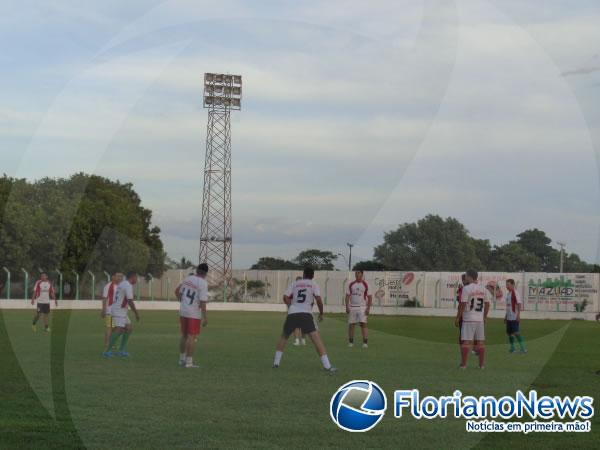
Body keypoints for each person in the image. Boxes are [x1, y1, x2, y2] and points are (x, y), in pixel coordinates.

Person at [272, 267, 336, 373]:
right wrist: (321, 313)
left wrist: (291, 305)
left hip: (292, 313)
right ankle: (327, 366)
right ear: (313, 276)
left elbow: (285, 297)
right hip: (306, 313)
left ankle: (276, 363)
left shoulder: (295, 283)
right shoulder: (313, 284)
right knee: (316, 339)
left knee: (284, 337)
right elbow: (319, 299)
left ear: (304, 274)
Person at [455, 269, 491, 369]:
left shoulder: (466, 289)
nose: (465, 277)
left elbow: (463, 304)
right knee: (480, 342)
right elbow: (488, 304)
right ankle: (482, 365)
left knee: (466, 342)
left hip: (468, 318)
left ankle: (463, 365)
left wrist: (458, 317)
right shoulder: (483, 289)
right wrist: (484, 317)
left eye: (466, 276)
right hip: (479, 319)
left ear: (470, 277)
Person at [176, 263, 209, 368]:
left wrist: (183, 302)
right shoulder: (203, 283)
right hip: (193, 313)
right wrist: (205, 317)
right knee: (192, 337)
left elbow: (179, 293)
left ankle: (181, 359)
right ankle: (189, 362)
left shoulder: (188, 278)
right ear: (205, 273)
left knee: (184, 335)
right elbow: (203, 302)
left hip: (183, 311)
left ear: (197, 270)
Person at [103, 272, 139, 358]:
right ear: (132, 277)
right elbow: (130, 301)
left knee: (129, 328)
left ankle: (121, 350)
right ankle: (107, 351)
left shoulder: (123, 283)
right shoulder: (127, 285)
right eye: (136, 278)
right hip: (118, 310)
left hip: (121, 310)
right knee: (118, 330)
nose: (137, 280)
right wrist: (136, 313)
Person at [345, 270, 372, 348]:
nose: (357, 274)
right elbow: (347, 296)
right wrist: (347, 306)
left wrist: (368, 308)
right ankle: (351, 342)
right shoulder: (351, 284)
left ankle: (365, 343)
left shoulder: (366, 284)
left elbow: (370, 297)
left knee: (363, 324)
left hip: (362, 307)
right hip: (352, 307)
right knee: (351, 324)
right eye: (356, 273)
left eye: (358, 273)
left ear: (362, 274)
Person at [505, 279, 527, 353]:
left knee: (516, 333)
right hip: (509, 317)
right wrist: (506, 316)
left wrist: (518, 315)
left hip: (514, 316)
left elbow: (519, 304)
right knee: (510, 333)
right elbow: (508, 306)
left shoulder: (515, 293)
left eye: (508, 285)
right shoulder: (508, 294)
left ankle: (523, 348)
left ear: (513, 284)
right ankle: (513, 348)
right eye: (506, 284)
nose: (506, 286)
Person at [101, 272, 121, 349]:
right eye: (117, 276)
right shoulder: (109, 286)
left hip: (117, 311)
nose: (119, 278)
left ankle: (111, 343)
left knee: (115, 328)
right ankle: (107, 344)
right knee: (109, 327)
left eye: (120, 276)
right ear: (113, 277)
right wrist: (103, 309)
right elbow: (104, 298)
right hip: (110, 310)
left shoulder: (119, 286)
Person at [292, 276, 306, 346]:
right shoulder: (306, 288)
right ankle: (303, 340)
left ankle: (297, 341)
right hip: (305, 309)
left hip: (296, 308)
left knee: (296, 326)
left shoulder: (294, 288)